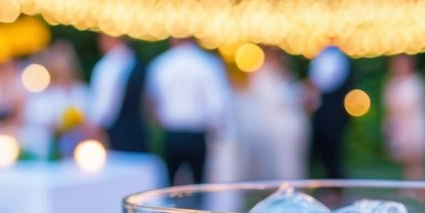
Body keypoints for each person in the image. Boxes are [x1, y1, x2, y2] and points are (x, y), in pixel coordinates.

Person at [145, 36, 231, 184]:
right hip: (197, 134)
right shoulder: (208, 63)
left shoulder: (161, 63)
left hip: (171, 133)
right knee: (199, 184)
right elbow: (218, 104)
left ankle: (170, 207)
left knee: (169, 184)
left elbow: (152, 101)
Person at [236, 46, 309, 181]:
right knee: (280, 164)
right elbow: (274, 98)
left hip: (288, 128)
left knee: (291, 162)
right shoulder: (261, 74)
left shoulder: (281, 72)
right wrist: (299, 94)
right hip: (274, 129)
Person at [87, 34, 148, 154]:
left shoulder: (108, 65)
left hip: (114, 132)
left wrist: (95, 125)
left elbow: (104, 103)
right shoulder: (134, 61)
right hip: (137, 131)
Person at [382, 53, 425, 180]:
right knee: (406, 161)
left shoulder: (415, 83)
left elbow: (415, 107)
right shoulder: (393, 83)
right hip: (399, 126)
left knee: (417, 160)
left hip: (414, 126)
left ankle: (420, 189)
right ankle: (410, 188)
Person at [306, 42, 352, 179]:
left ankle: (336, 188)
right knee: (322, 150)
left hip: (334, 114)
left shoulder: (341, 59)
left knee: (334, 151)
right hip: (321, 113)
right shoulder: (320, 58)